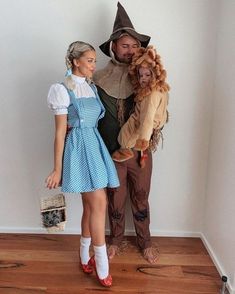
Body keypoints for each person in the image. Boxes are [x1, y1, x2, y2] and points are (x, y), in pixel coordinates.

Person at [46, 41, 119, 287]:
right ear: (76, 61)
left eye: (94, 61)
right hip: (77, 149)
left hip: (94, 145)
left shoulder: (92, 88)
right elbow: (59, 133)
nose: (93, 65)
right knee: (99, 203)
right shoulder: (61, 89)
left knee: (91, 206)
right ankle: (101, 264)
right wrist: (57, 169)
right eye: (89, 60)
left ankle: (83, 256)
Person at [93, 2, 158, 264]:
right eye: (125, 45)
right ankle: (116, 240)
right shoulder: (97, 77)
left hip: (140, 151)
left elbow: (157, 108)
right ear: (114, 47)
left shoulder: (147, 75)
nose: (130, 51)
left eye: (134, 45)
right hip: (110, 152)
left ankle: (146, 242)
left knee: (141, 197)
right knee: (115, 199)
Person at [112, 45, 170, 168]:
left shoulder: (151, 94)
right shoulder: (160, 89)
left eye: (147, 75)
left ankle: (125, 149)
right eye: (141, 75)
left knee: (125, 135)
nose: (143, 79)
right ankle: (142, 154)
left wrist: (144, 140)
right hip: (153, 123)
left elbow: (147, 117)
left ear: (154, 74)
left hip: (143, 124)